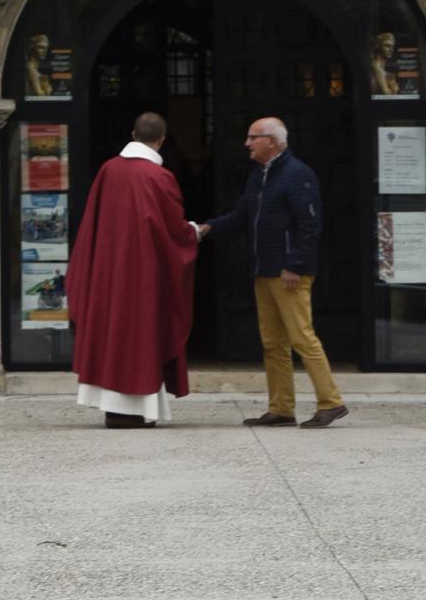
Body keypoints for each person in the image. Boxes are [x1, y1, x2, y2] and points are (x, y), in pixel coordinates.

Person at [199, 117, 348, 429]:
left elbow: (310, 225)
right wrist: (207, 228)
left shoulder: (297, 174)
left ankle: (330, 402)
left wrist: (294, 265)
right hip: (264, 271)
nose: (247, 143)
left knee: (301, 338)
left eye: (253, 137)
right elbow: (241, 216)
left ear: (272, 141)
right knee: (273, 342)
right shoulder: (259, 175)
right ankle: (281, 408)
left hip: (287, 273)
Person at [66, 111, 200, 429]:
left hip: (109, 274)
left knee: (112, 330)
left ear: (133, 134)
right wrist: (194, 232)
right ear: (162, 141)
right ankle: (139, 409)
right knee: (141, 335)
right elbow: (173, 231)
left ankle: (113, 408)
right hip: (144, 278)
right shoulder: (159, 178)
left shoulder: (108, 171)